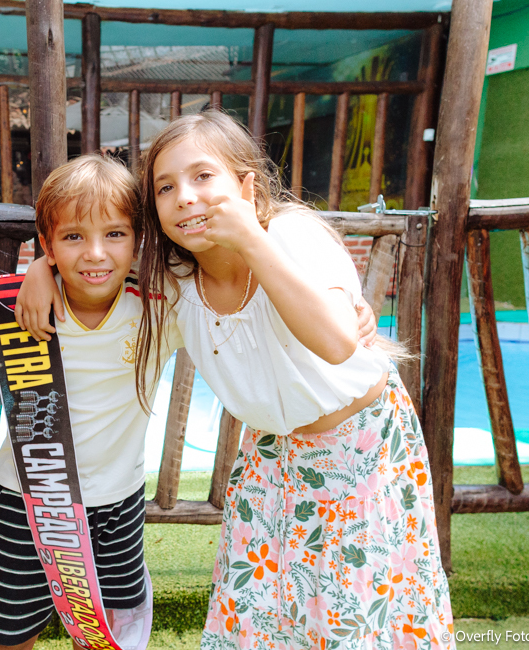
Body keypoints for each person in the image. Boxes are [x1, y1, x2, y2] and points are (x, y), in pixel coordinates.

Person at [132, 111, 453, 649]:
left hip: (361, 450)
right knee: (257, 602)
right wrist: (45, 271)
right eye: (165, 187)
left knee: (354, 608)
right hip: (273, 454)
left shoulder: (292, 234)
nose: (185, 197)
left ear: (247, 184)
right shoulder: (176, 281)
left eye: (203, 176)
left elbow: (336, 342)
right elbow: (94, 270)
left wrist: (251, 241)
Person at [0, 154, 179, 650]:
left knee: (101, 639)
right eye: (74, 236)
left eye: (115, 234)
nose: (95, 253)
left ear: (139, 239)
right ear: (49, 243)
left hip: (118, 506)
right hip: (26, 502)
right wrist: (37, 271)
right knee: (7, 639)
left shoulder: (162, 309)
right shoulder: (15, 309)